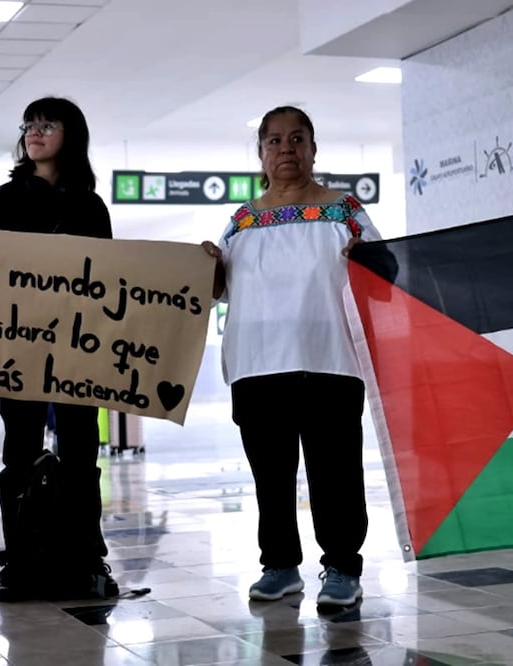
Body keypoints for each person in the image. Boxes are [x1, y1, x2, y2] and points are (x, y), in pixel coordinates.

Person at [201, 105, 385, 608]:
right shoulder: (242, 221)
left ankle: (343, 567)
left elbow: (384, 276)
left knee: (335, 473)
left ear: (313, 149)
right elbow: (216, 289)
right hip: (256, 366)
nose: (287, 149)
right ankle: (279, 566)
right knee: (270, 475)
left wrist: (366, 259)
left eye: (297, 139)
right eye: (275, 140)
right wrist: (207, 264)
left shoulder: (344, 211)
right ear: (261, 152)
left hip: (331, 362)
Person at [0, 96, 118, 602]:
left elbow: (109, 279)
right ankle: (19, 558)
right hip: (17, 350)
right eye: (29, 125)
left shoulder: (89, 206)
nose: (34, 133)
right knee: (19, 452)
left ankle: (87, 557)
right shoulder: (3, 200)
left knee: (81, 454)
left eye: (47, 124)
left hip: (79, 353)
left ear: (70, 134)